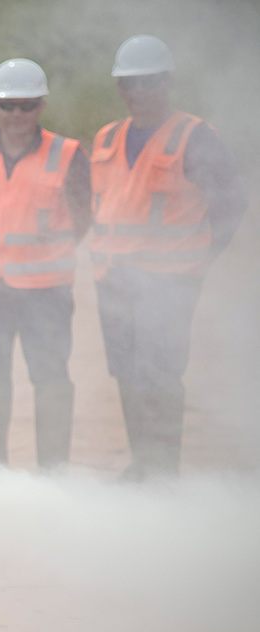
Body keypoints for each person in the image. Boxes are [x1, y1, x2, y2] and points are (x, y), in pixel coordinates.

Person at [91, 35, 247, 480]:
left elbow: (231, 204)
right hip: (114, 278)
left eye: (150, 81)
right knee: (126, 374)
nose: (140, 92)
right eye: (130, 83)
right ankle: (142, 463)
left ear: (168, 82)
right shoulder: (106, 137)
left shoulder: (194, 137)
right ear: (120, 87)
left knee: (157, 378)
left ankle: (162, 472)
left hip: (170, 281)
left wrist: (198, 257)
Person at [0, 60, 91, 468]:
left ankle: (53, 471)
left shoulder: (67, 154)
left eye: (26, 106)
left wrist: (42, 258)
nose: (17, 115)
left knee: (50, 382)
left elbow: (83, 215)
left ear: (41, 105)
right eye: (8, 106)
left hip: (46, 291)